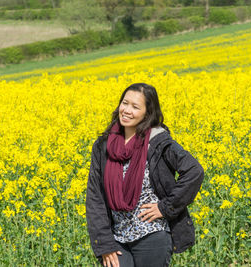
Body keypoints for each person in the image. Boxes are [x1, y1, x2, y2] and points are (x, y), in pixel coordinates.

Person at [86, 83, 204, 267]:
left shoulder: (158, 142)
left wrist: (165, 208)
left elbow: (194, 172)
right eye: (124, 103)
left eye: (135, 107)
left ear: (147, 114)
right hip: (116, 238)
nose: (126, 110)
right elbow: (95, 197)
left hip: (152, 234)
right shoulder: (103, 146)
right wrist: (104, 244)